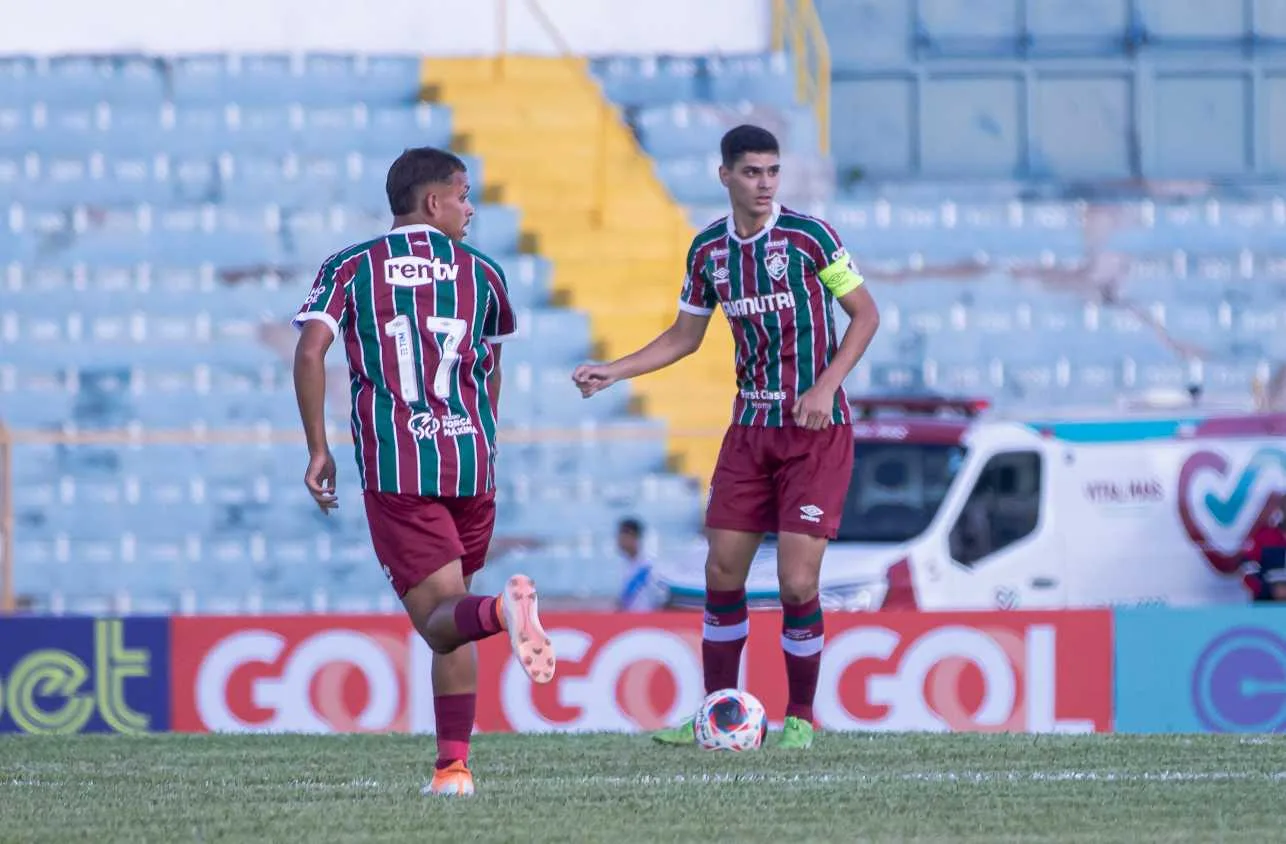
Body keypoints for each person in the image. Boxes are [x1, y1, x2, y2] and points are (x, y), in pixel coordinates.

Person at [572, 125, 880, 749]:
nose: (764, 184)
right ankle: (717, 709)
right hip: (749, 432)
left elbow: (866, 314)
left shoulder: (809, 237)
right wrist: (614, 370)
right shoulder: (708, 251)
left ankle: (799, 719)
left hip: (813, 435)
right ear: (726, 177)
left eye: (772, 172)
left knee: (797, 583)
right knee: (721, 573)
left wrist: (824, 387)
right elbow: (684, 337)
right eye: (751, 173)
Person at [292, 146, 555, 796]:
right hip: (472, 466)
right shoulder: (484, 274)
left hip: (400, 465)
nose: (471, 209)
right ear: (432, 202)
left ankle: (503, 613)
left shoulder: (351, 267)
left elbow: (310, 349)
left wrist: (317, 448)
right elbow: (491, 372)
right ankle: (453, 768)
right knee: (452, 611)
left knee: (444, 617)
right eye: (464, 195)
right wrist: (482, 444)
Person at [616, 517, 662, 612]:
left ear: (634, 537)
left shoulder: (648, 567)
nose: (619, 541)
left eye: (623, 536)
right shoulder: (624, 565)